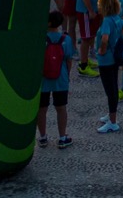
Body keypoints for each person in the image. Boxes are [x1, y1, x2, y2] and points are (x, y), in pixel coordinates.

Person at [37, 10, 74, 148]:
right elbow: (69, 60)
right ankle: (62, 137)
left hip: (43, 79)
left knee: (42, 108)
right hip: (61, 78)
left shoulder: (41, 38)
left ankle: (42, 137)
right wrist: (67, 76)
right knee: (61, 108)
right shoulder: (66, 39)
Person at [94, 0, 123, 133]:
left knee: (110, 89)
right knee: (114, 86)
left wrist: (102, 49)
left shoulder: (107, 20)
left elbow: (105, 38)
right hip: (115, 58)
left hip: (106, 59)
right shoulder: (117, 18)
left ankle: (113, 121)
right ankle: (111, 114)